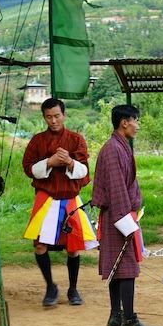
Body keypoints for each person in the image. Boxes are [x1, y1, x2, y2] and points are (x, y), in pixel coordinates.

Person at [22, 97, 97, 307]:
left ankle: (73, 289)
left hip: (70, 200)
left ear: (63, 115)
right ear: (44, 117)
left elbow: (84, 170)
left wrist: (70, 162)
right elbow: (28, 167)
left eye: (56, 116)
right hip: (45, 199)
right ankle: (50, 287)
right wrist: (49, 162)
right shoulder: (37, 141)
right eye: (48, 117)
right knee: (39, 246)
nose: (53, 121)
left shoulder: (76, 139)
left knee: (73, 247)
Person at [93, 104, 158, 326]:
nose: (137, 126)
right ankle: (128, 320)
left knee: (117, 266)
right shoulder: (113, 149)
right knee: (126, 267)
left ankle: (115, 316)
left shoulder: (119, 147)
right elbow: (117, 188)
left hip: (118, 215)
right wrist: (126, 224)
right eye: (136, 121)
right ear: (124, 122)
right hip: (118, 215)